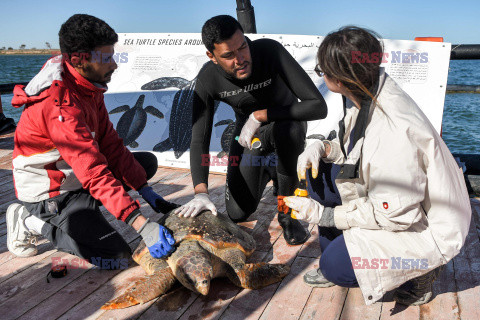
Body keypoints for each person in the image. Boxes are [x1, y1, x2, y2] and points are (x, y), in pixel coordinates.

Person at [285, 26, 471, 306]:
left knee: (335, 266)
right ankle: (342, 243)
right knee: (319, 173)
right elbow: (356, 150)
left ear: (339, 78)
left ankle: (421, 274)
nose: (321, 75)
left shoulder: (393, 132)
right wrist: (323, 148)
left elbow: (397, 216)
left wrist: (326, 216)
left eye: (322, 69)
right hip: (396, 201)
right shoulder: (366, 89)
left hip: (421, 224)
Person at [7, 14, 179, 265]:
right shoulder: (59, 106)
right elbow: (93, 172)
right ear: (79, 60)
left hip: (76, 177)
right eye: (107, 58)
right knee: (115, 256)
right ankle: (30, 221)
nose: (114, 65)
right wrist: (141, 224)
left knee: (143, 166)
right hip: (51, 192)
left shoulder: (87, 83)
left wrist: (147, 192)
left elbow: (110, 143)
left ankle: (89, 212)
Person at [175, 15, 328, 245]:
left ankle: (286, 211)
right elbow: (199, 139)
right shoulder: (208, 78)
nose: (240, 59)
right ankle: (272, 169)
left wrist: (261, 115)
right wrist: (201, 192)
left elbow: (317, 105)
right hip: (248, 136)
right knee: (238, 213)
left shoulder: (269, 51)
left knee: (288, 131)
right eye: (228, 55)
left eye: (243, 47)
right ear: (212, 56)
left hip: (285, 124)